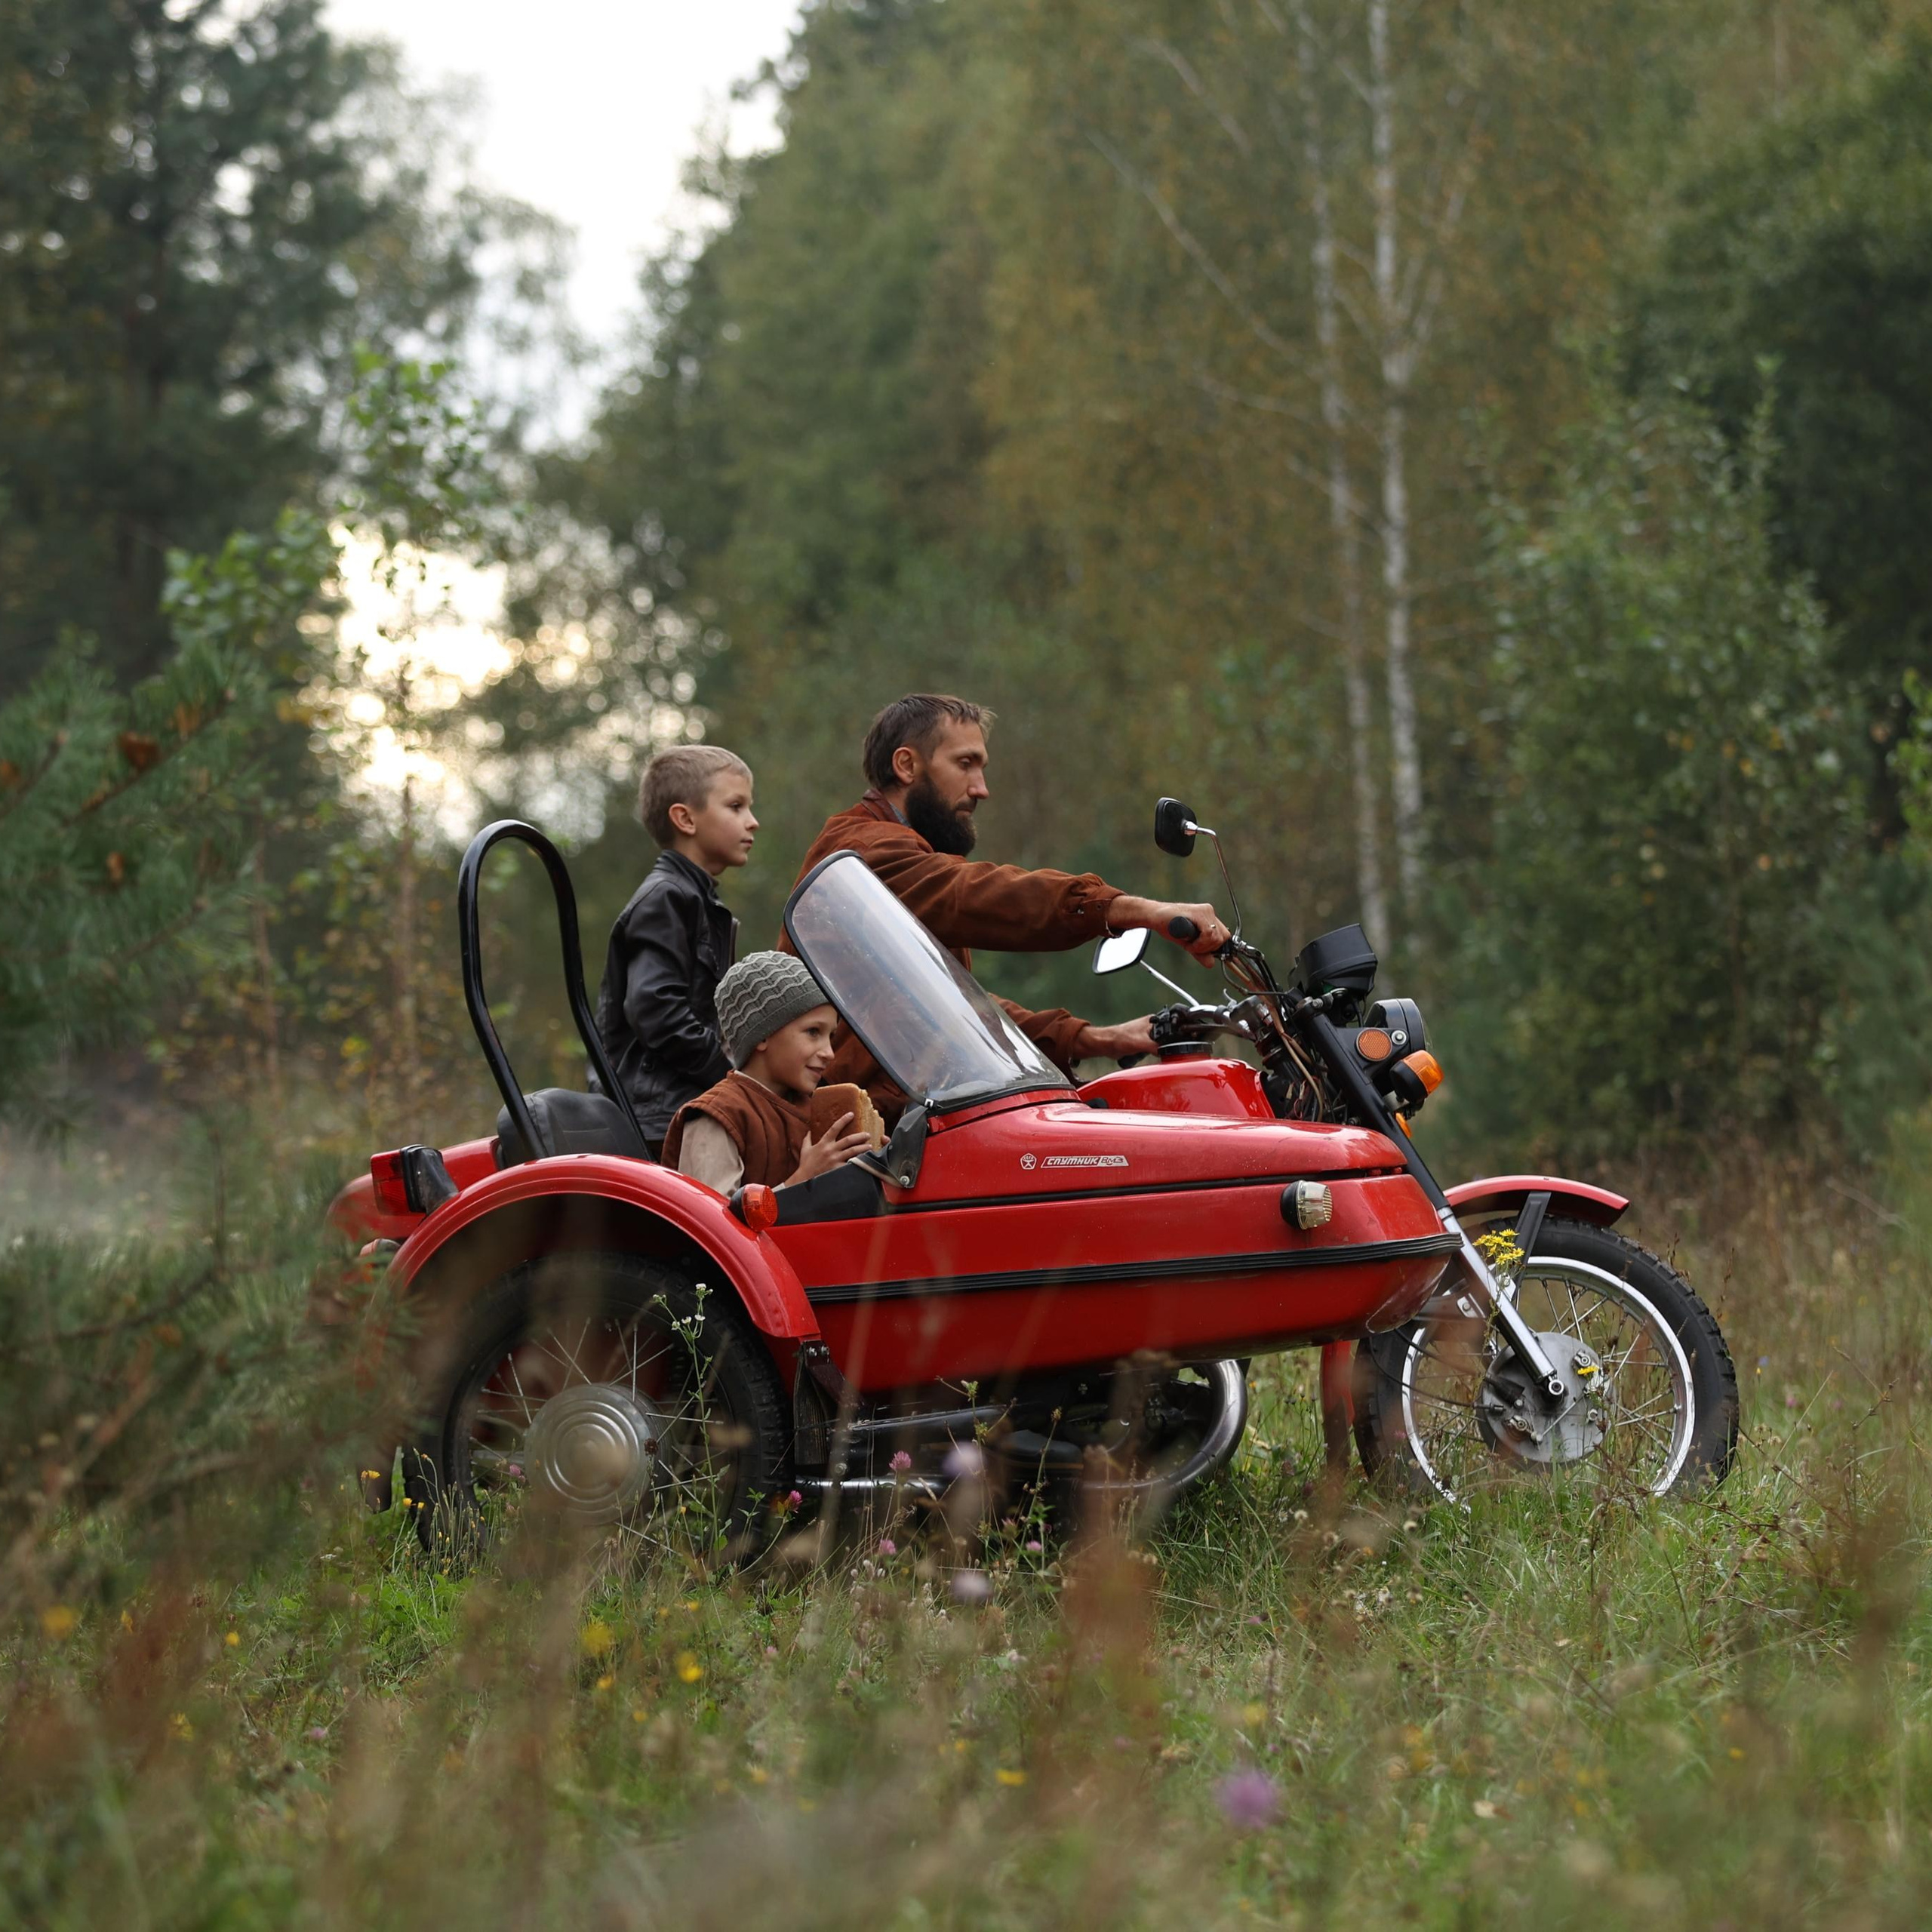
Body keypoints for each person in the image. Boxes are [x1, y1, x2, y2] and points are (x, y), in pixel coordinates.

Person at [789, 693, 1228, 1096]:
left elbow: (954, 1008)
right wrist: (1134, 910)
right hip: (854, 1135)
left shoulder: (896, 857)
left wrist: (1099, 1038)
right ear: (906, 766)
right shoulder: (865, 855)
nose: (981, 788)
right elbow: (981, 893)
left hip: (890, 1119)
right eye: (965, 764)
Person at [592, 744, 755, 1156]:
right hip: (656, 1120)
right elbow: (656, 1009)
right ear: (685, 819)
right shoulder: (667, 897)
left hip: (677, 1107)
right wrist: (730, 1077)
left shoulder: (696, 899)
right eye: (736, 806)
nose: (752, 821)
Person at [663, 952, 873, 1194]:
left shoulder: (816, 1109)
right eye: (813, 1032)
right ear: (762, 1036)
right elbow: (710, 1214)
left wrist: (873, 1163)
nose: (829, 1053)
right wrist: (804, 1178)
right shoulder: (718, 1116)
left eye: (831, 1036)